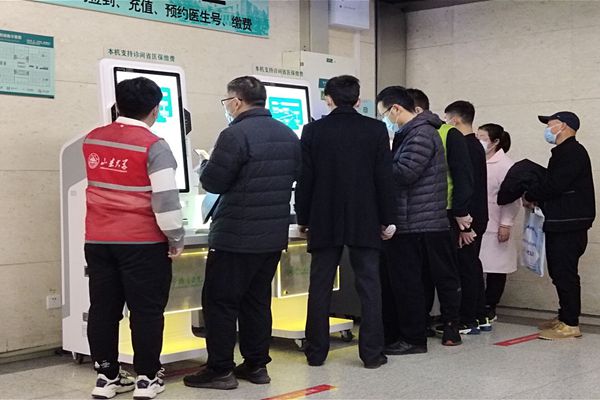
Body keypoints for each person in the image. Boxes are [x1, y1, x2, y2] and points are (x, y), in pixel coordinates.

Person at [183, 76, 301, 389]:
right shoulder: (288, 134)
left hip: (235, 236)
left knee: (220, 302)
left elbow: (214, 182)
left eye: (227, 101)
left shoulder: (234, 135)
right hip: (272, 236)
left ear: (236, 102)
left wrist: (205, 167)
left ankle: (220, 370)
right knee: (257, 301)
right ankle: (256, 366)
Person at [83, 77, 184, 400]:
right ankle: (147, 378)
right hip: (143, 243)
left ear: (118, 105)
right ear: (155, 109)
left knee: (103, 309)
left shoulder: (92, 139)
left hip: (98, 240)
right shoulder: (155, 145)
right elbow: (166, 201)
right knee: (146, 311)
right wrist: (175, 237)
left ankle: (106, 377)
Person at [294, 75, 396, 369]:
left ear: (328, 99)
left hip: (324, 216)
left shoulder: (313, 131)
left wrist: (303, 217)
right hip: (366, 216)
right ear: (358, 100)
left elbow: (305, 178)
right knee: (370, 285)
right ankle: (372, 354)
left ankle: (316, 352)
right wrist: (388, 218)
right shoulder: (375, 129)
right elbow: (384, 177)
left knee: (320, 284)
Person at [376, 86, 454, 355]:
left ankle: (413, 339)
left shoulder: (420, 133)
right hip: (415, 218)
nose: (385, 119)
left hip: (417, 221)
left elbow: (405, 173)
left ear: (396, 109)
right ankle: (404, 334)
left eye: (384, 113)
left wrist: (378, 162)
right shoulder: (412, 132)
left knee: (408, 284)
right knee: (404, 282)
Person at [523, 111, 595, 340]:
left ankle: (571, 324)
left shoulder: (572, 152)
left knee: (565, 273)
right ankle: (564, 316)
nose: (547, 129)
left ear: (563, 126)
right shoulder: (564, 152)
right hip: (562, 222)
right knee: (559, 271)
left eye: (550, 124)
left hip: (569, 225)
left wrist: (531, 194)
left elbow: (555, 185)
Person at [405, 88, 469, 345]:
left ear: (417, 110)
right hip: (414, 216)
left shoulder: (448, 133)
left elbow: (463, 176)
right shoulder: (407, 133)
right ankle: (421, 323)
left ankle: (452, 323)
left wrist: (460, 213)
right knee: (420, 274)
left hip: (444, 214)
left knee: (444, 273)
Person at [444, 101, 490, 334]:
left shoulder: (464, 145)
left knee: (466, 267)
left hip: (468, 217)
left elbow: (465, 186)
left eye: (446, 119)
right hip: (476, 214)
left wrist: (464, 225)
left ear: (455, 120)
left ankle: (467, 318)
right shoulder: (476, 146)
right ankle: (480, 315)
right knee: (472, 265)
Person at [476, 123, 520, 321]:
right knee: (478, 266)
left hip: (497, 222)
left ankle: (490, 305)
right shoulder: (477, 160)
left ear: (495, 142)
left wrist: (506, 223)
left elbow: (512, 198)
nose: (478, 141)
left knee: (496, 268)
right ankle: (477, 304)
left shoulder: (505, 165)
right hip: (479, 221)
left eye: (482, 138)